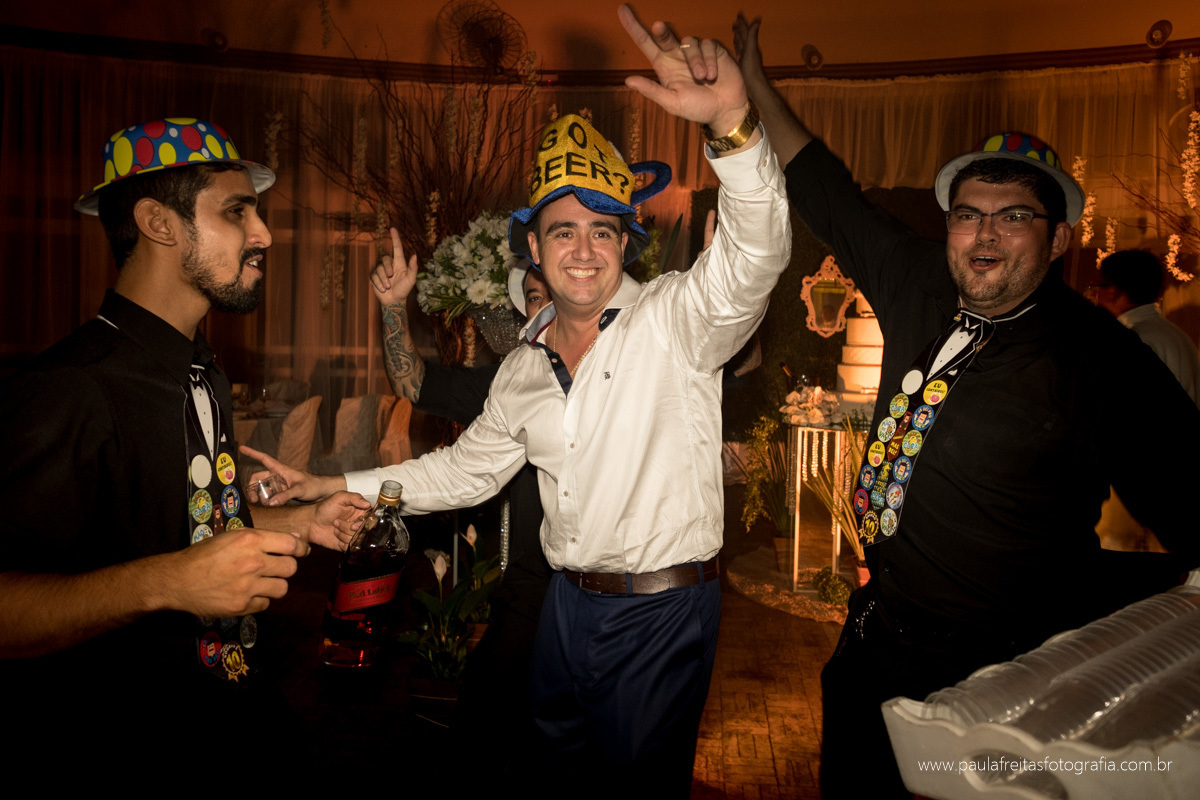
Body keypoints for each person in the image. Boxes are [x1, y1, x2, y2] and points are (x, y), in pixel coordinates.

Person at [257, 5, 792, 794]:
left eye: (604, 232)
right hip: (564, 611)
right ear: (533, 250)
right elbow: (463, 474)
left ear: (624, 246)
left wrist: (734, 127)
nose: (584, 249)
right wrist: (333, 485)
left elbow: (757, 251)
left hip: (659, 615)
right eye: (563, 231)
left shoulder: (676, 320)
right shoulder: (522, 371)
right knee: (547, 776)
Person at [733, 16, 1200, 798]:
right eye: (969, 212)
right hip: (875, 644)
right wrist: (754, 86)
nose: (985, 233)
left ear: (1057, 242)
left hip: (995, 680)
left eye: (1014, 216)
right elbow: (828, 191)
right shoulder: (919, 280)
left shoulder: (1102, 361)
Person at [0, 117, 366, 773]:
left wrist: (301, 519)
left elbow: (183, 521)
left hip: (227, 711)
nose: (265, 235)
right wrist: (166, 584)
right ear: (158, 223)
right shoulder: (74, 387)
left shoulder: (202, 371)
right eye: (237, 211)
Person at [370, 229, 554, 786]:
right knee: (479, 729)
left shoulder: (626, 373)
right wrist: (393, 309)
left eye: (553, 294)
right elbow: (413, 380)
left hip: (606, 596)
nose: (544, 306)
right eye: (535, 297)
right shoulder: (510, 381)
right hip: (528, 589)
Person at [1088, 249, 1200, 404]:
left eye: (1096, 287)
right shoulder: (1177, 335)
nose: (1093, 296)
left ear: (1112, 291)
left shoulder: (1134, 341)